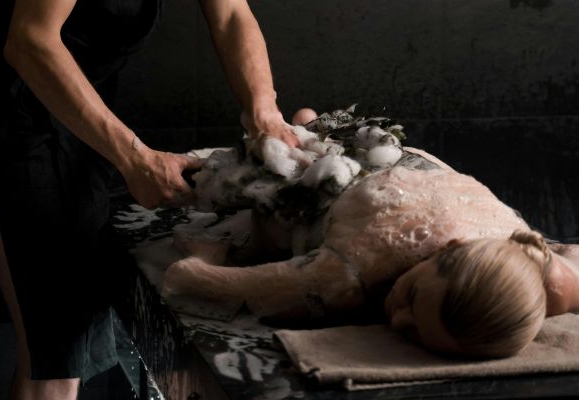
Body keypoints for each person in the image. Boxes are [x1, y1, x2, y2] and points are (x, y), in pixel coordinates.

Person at [0, 0, 299, 399]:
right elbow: (30, 39)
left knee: (74, 347)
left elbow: (231, 13)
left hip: (80, 122)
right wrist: (134, 157)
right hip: (11, 115)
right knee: (54, 362)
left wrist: (263, 111)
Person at [162, 108, 579, 359]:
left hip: (404, 161)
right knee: (232, 189)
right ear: (448, 249)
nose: (396, 319)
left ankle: (309, 125)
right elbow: (189, 279)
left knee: (317, 133)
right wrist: (208, 257)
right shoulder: (350, 271)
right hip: (327, 187)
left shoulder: (526, 251)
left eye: (415, 333)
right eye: (412, 298)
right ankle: (306, 129)